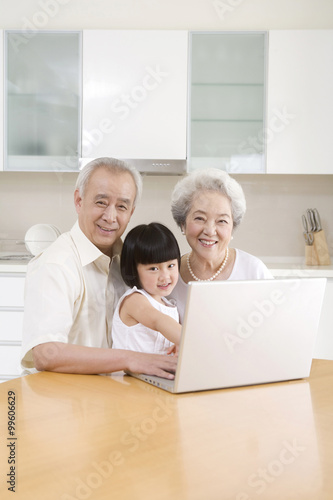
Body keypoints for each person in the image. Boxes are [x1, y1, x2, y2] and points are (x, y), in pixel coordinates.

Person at [20, 157, 177, 379]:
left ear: (131, 212)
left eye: (121, 206)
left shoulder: (131, 261)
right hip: (65, 400)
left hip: (115, 395)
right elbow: (46, 354)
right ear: (79, 201)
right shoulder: (56, 264)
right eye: (101, 202)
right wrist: (130, 358)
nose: (110, 217)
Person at [169, 168, 273, 321]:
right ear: (183, 224)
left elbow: (277, 327)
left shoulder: (253, 271)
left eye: (222, 221)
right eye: (200, 218)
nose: (210, 231)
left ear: (232, 229)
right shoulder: (168, 276)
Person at [112, 222, 182, 354]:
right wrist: (190, 341)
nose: (165, 276)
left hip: (155, 372)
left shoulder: (169, 305)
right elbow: (158, 321)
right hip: (128, 374)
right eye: (153, 268)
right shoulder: (134, 300)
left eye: (171, 265)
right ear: (133, 270)